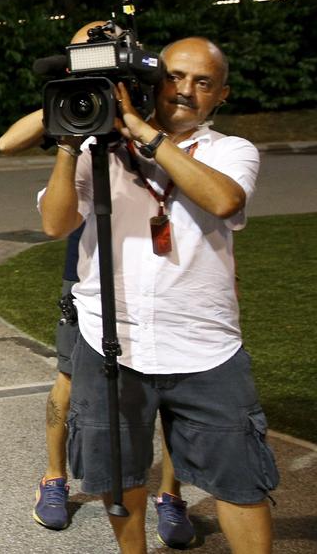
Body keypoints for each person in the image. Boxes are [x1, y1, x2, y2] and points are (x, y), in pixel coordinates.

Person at [38, 37, 277, 553]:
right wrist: (68, 144)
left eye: (202, 82)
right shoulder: (101, 153)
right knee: (120, 474)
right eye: (175, 77)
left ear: (222, 94)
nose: (185, 90)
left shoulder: (230, 151)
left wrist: (144, 133)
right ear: (154, 81)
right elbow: (55, 223)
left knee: (239, 480)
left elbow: (224, 200)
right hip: (110, 342)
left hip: (204, 346)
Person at [0, 24, 192, 543]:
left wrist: (126, 106)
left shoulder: (147, 102)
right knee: (70, 375)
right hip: (86, 256)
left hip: (158, 261)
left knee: (173, 385)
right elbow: (8, 142)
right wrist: (69, 99)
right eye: (82, 51)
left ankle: (171, 494)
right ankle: (54, 478)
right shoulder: (73, 104)